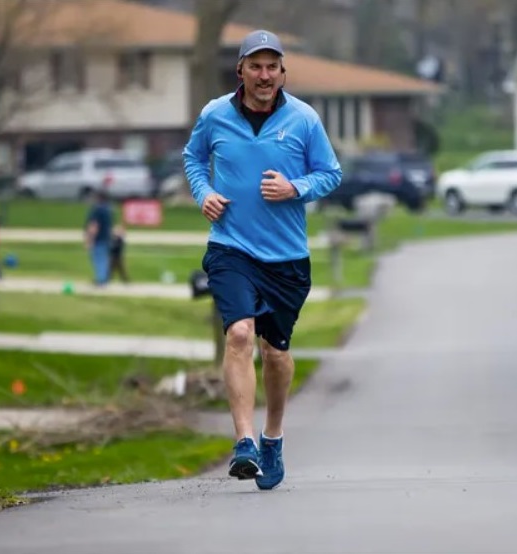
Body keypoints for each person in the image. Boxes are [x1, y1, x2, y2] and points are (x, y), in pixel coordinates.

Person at [183, 29, 342, 490]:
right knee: (238, 334)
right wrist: (204, 192)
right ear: (241, 71)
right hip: (231, 247)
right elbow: (193, 158)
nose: (265, 74)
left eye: (272, 66)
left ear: (282, 72)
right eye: (256, 65)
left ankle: (272, 435)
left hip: (287, 257)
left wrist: (296, 188)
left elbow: (331, 173)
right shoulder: (215, 115)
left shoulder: (304, 119)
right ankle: (244, 443)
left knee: (276, 353)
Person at [84, 190, 113, 286]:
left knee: (98, 259)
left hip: (98, 238)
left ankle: (100, 280)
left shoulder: (97, 210)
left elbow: (94, 226)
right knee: (104, 259)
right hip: (106, 238)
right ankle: (104, 278)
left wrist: (89, 239)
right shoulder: (108, 209)